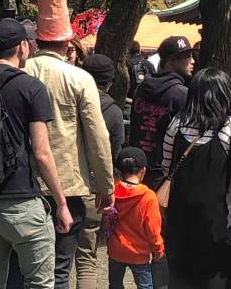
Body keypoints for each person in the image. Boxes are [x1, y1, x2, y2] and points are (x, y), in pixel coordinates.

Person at [0, 18, 73, 289]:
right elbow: (41, 153)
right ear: (22, 47)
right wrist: (61, 203)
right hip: (22, 201)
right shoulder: (30, 87)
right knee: (39, 283)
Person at [26, 40, 115, 289]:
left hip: (23, 182)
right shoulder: (79, 78)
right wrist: (105, 186)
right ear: (67, 45)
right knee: (61, 267)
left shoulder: (20, 71)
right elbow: (98, 137)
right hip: (68, 182)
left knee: (25, 265)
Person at [163, 67, 231, 288]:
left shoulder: (177, 124)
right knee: (211, 280)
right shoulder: (227, 129)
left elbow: (166, 167)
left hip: (178, 214)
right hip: (215, 222)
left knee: (179, 276)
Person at [74, 54, 125, 289]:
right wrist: (107, 187)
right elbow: (114, 152)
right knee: (86, 258)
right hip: (94, 188)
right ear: (108, 82)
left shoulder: (69, 101)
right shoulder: (113, 112)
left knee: (58, 257)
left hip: (65, 182)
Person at [130, 36, 193, 190]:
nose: (192, 61)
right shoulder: (182, 94)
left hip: (136, 167)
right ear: (171, 60)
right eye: (186, 56)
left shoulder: (142, 88)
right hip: (165, 172)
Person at [108, 147, 164, 289]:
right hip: (139, 253)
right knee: (145, 286)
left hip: (116, 249)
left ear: (120, 171)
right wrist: (158, 250)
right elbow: (153, 229)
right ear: (143, 171)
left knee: (115, 285)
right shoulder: (148, 196)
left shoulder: (112, 191)